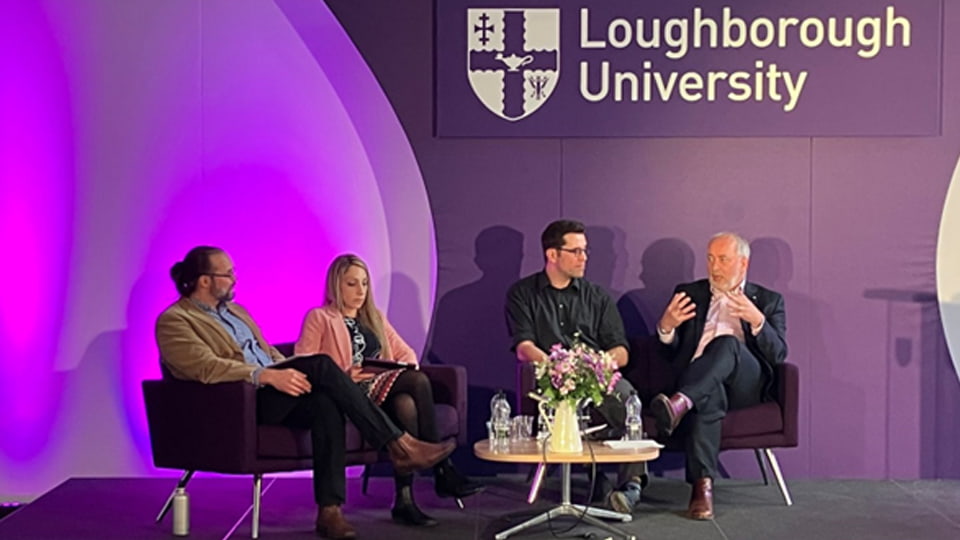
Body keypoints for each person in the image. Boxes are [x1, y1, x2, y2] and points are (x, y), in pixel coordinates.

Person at [155, 246, 455, 540]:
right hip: (241, 398)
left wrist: (284, 370)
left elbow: (266, 351)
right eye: (228, 274)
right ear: (204, 280)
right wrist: (267, 375)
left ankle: (330, 512)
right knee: (323, 365)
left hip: (274, 386)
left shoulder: (236, 312)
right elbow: (204, 367)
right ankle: (398, 447)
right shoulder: (175, 320)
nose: (235, 279)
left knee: (326, 404)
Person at [294, 254, 483, 527]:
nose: (360, 291)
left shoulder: (374, 318)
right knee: (416, 382)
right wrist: (344, 374)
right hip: (348, 393)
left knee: (405, 402)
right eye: (351, 284)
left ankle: (405, 501)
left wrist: (385, 368)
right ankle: (443, 471)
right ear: (336, 285)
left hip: (380, 388)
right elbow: (305, 361)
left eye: (364, 284)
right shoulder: (320, 317)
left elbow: (407, 354)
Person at [505, 219, 645, 514]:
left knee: (626, 398)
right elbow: (524, 346)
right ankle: (595, 475)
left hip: (595, 376)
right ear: (552, 255)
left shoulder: (598, 297)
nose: (584, 258)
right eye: (576, 251)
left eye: (585, 251)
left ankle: (630, 487)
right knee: (566, 400)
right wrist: (561, 367)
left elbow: (621, 350)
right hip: (549, 377)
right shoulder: (523, 294)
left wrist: (594, 366)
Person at [651, 232, 787, 520]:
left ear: (743, 263)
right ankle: (702, 490)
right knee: (708, 394)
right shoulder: (690, 294)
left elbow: (778, 356)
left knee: (726, 343)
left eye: (723, 260)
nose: (715, 267)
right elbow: (668, 355)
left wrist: (757, 320)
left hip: (746, 384)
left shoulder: (767, 300)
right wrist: (666, 327)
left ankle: (680, 402)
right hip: (699, 379)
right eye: (710, 259)